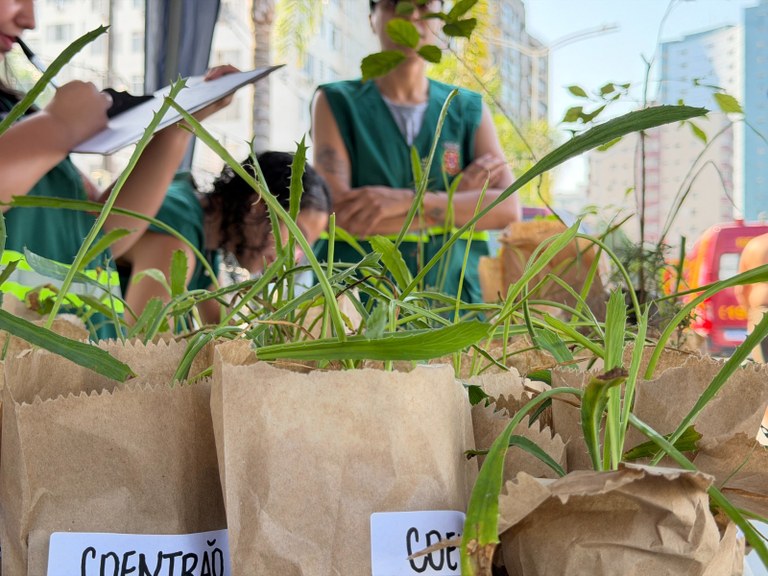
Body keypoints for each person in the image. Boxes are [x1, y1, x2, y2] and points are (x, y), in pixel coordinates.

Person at [0, 0, 237, 336]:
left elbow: (100, 236)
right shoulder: (38, 128)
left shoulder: (18, 115)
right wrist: (57, 127)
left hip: (70, 376)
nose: (30, 19)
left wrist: (178, 126)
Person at [310, 0, 520, 305]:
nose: (411, 16)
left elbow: (507, 209)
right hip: (358, 302)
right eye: (395, 4)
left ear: (441, 19)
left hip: (454, 305)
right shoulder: (335, 102)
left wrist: (401, 201)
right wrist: (456, 203)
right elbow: (342, 214)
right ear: (372, 17)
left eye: (424, 4)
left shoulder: (466, 107)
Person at [119, 151, 332, 325]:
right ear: (259, 207)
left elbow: (222, 330)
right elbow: (147, 357)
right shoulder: (177, 240)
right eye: (298, 237)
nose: (295, 257)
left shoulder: (204, 240)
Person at [734, 232, 768, 362]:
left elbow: (740, 289)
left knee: (762, 370)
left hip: (760, 312)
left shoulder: (754, 245)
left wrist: (751, 314)